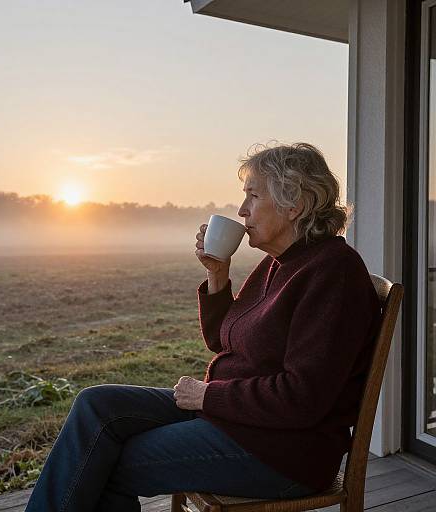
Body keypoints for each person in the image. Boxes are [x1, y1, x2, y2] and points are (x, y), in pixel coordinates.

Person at [25, 142, 381, 512]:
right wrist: (217, 277)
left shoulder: (331, 273)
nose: (242, 210)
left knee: (104, 461)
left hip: (284, 452)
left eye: (253, 196)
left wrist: (207, 396)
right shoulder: (280, 262)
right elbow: (222, 340)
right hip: (238, 420)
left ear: (296, 205)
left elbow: (302, 399)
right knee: (96, 404)